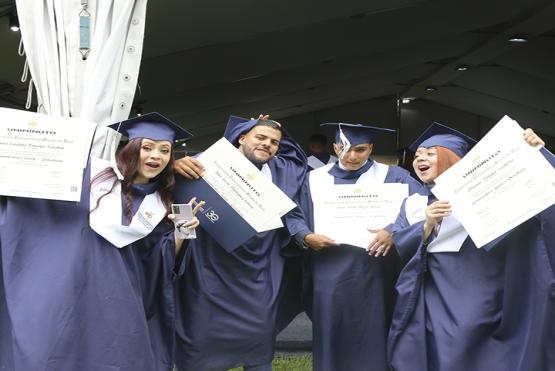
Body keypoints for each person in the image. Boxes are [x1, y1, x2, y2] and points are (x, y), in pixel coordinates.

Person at [0, 113, 201, 371]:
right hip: (68, 287)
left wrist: (182, 232)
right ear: (131, 148)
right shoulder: (92, 178)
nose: (156, 156)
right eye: (147, 147)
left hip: (117, 298)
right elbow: (42, 206)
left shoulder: (167, 201)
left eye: (164, 150)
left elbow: (158, 263)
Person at [388, 123, 555, 371]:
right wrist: (426, 225)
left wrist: (539, 153)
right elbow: (401, 243)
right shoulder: (413, 203)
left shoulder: (486, 191)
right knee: (434, 346)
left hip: (481, 284)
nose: (420, 158)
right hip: (431, 290)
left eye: (431, 153)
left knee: (467, 339)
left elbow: (541, 201)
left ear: (453, 159)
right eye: (418, 155)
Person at [172, 115, 307, 371]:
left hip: (255, 276)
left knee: (258, 347)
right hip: (207, 272)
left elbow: (296, 155)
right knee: (199, 347)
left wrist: (272, 127)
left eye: (274, 142)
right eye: (260, 137)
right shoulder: (204, 163)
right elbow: (181, 202)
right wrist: (174, 169)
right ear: (241, 138)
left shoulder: (280, 173)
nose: (268, 144)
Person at [287, 123, 421, 371]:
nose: (351, 156)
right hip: (330, 270)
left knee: (374, 333)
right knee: (331, 331)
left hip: (377, 271)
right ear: (335, 147)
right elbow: (294, 215)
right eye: (345, 149)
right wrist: (305, 236)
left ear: (370, 148)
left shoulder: (394, 177)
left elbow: (420, 209)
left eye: (360, 149)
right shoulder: (313, 179)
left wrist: (393, 230)